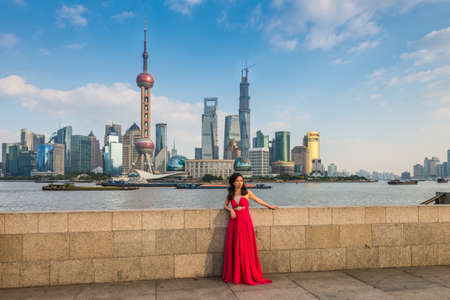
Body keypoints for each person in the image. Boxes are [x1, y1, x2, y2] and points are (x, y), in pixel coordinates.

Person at [222, 172, 278, 285]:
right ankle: (236, 274)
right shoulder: (230, 194)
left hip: (245, 222)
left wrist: (269, 206)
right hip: (234, 223)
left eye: (241, 180)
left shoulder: (247, 192)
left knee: (245, 247)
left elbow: (258, 200)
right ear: (233, 182)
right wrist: (231, 210)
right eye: (237, 181)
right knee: (235, 246)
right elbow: (225, 205)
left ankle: (247, 274)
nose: (239, 183)